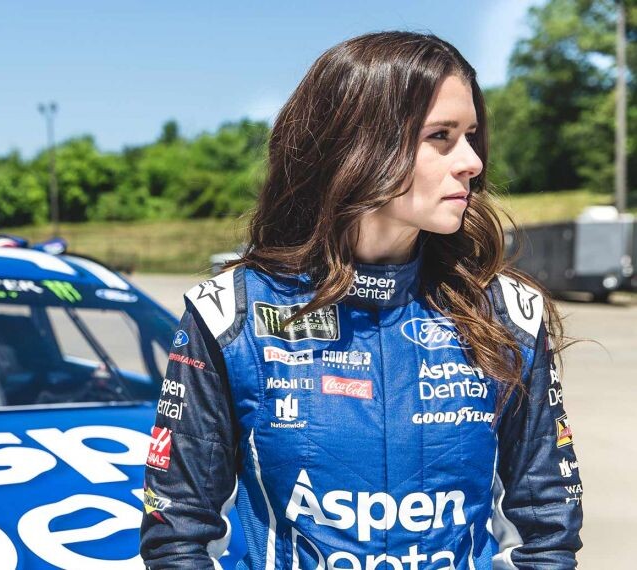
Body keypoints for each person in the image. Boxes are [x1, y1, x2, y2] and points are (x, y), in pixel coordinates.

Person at [139, 31, 582, 569]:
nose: (471, 161)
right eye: (440, 136)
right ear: (357, 144)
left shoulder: (507, 314)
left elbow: (545, 534)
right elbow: (178, 537)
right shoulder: (230, 315)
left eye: (470, 136)